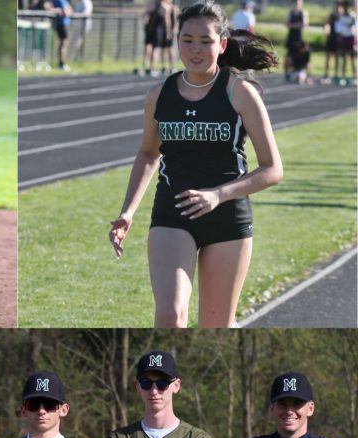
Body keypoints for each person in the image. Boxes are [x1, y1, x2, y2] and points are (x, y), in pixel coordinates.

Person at [109, 1, 283, 328]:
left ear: (223, 44)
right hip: (172, 214)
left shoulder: (240, 93)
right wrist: (127, 212)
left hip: (226, 219)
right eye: (187, 40)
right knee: (171, 314)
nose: (195, 49)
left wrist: (218, 195)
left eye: (205, 41)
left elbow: (272, 169)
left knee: (215, 326)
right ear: (176, 41)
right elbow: (148, 153)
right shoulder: (159, 94)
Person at [285, 0, 310, 80]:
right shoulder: (291, 12)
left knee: (300, 56)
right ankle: (287, 73)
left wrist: (293, 25)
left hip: (299, 38)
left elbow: (304, 24)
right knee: (288, 56)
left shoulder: (303, 13)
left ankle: (301, 71)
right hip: (291, 37)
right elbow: (287, 23)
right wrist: (296, 25)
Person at [334, 2, 357, 79]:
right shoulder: (341, 17)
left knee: (353, 58)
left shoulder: (352, 16)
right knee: (344, 58)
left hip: (351, 38)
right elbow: (338, 28)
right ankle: (343, 76)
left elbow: (354, 27)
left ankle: (355, 76)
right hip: (344, 38)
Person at [51, 0, 74, 70]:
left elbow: (70, 11)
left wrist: (67, 11)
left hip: (64, 24)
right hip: (62, 24)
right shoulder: (60, 0)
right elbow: (66, 12)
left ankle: (62, 63)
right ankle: (61, 63)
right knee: (63, 43)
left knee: (64, 44)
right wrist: (65, 11)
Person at [322, 2, 343, 80]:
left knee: (337, 57)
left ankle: (336, 74)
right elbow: (326, 24)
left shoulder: (342, 16)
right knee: (328, 56)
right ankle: (326, 74)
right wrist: (326, 31)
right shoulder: (332, 15)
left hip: (338, 39)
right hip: (331, 38)